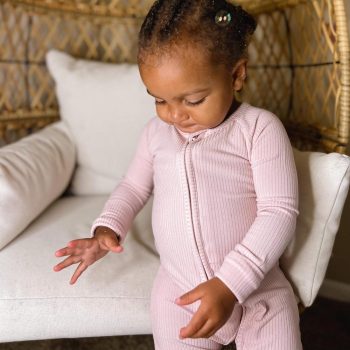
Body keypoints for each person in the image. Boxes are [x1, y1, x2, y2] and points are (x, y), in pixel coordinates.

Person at [53, 1, 303, 349]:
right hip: (180, 294)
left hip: (258, 293)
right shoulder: (155, 134)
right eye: (159, 100)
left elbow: (279, 212)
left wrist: (230, 283)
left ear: (236, 75)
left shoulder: (258, 129)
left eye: (194, 100)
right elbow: (133, 186)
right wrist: (106, 228)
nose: (174, 115)